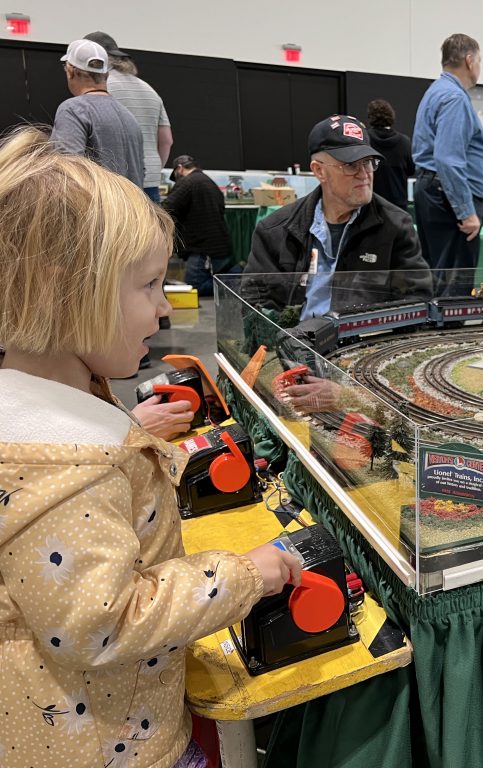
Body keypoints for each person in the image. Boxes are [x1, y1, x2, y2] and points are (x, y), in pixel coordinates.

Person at [0, 125, 302, 768]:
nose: (164, 310)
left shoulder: (37, 416)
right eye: (146, 286)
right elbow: (102, 623)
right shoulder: (71, 468)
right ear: (66, 292)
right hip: (110, 746)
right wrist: (250, 573)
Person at [244, 114, 431, 317]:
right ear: (319, 171)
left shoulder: (396, 226)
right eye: (351, 165)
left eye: (368, 162)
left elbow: (417, 299)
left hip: (364, 343)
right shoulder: (274, 230)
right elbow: (255, 303)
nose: (364, 173)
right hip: (293, 342)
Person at [412, 33, 483, 297]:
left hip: (434, 190)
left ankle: (437, 332)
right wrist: (466, 212)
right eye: (480, 60)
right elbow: (448, 158)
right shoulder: (454, 98)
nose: (480, 66)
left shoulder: (436, 92)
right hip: (449, 198)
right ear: (469, 60)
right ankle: (448, 337)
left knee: (438, 273)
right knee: (454, 283)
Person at [84, 31, 173, 203]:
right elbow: (167, 140)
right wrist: (154, 169)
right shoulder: (150, 90)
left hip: (113, 182)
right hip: (150, 182)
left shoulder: (99, 89)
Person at [51, 39, 144, 187]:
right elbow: (140, 171)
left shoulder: (73, 110)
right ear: (106, 75)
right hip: (132, 208)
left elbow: (68, 172)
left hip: (96, 208)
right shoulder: (129, 116)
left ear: (70, 71)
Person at [162, 154, 233, 297]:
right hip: (219, 246)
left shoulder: (187, 182)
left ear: (180, 168)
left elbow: (167, 208)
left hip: (201, 249)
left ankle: (232, 288)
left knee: (194, 287)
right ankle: (231, 285)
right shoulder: (209, 182)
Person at [366, 98, 415, 211]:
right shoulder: (404, 142)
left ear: (370, 117)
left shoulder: (365, 140)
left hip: (372, 203)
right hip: (398, 206)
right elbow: (412, 170)